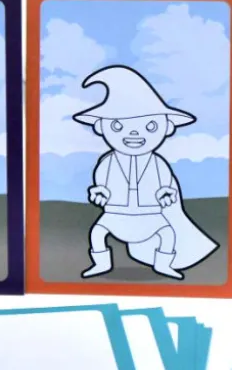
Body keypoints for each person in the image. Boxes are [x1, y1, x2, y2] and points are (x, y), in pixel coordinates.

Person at [74, 65, 218, 280]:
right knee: (97, 232)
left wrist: (165, 194)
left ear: (167, 127)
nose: (134, 133)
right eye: (117, 126)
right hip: (116, 213)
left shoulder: (158, 163)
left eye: (150, 126)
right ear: (100, 127)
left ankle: (163, 264)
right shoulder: (107, 162)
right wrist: (100, 193)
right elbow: (101, 184)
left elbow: (165, 185)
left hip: (150, 214)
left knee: (167, 234)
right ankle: (101, 264)